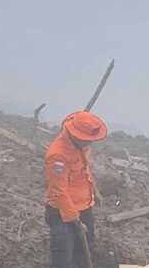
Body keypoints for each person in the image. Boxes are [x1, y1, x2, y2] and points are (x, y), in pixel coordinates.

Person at [45, 111, 108, 268]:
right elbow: (58, 191)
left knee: (85, 250)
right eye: (87, 139)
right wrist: (75, 219)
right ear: (77, 135)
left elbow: (84, 172)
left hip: (84, 207)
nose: (90, 143)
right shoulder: (58, 155)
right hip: (63, 214)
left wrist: (95, 191)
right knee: (63, 259)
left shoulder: (81, 145)